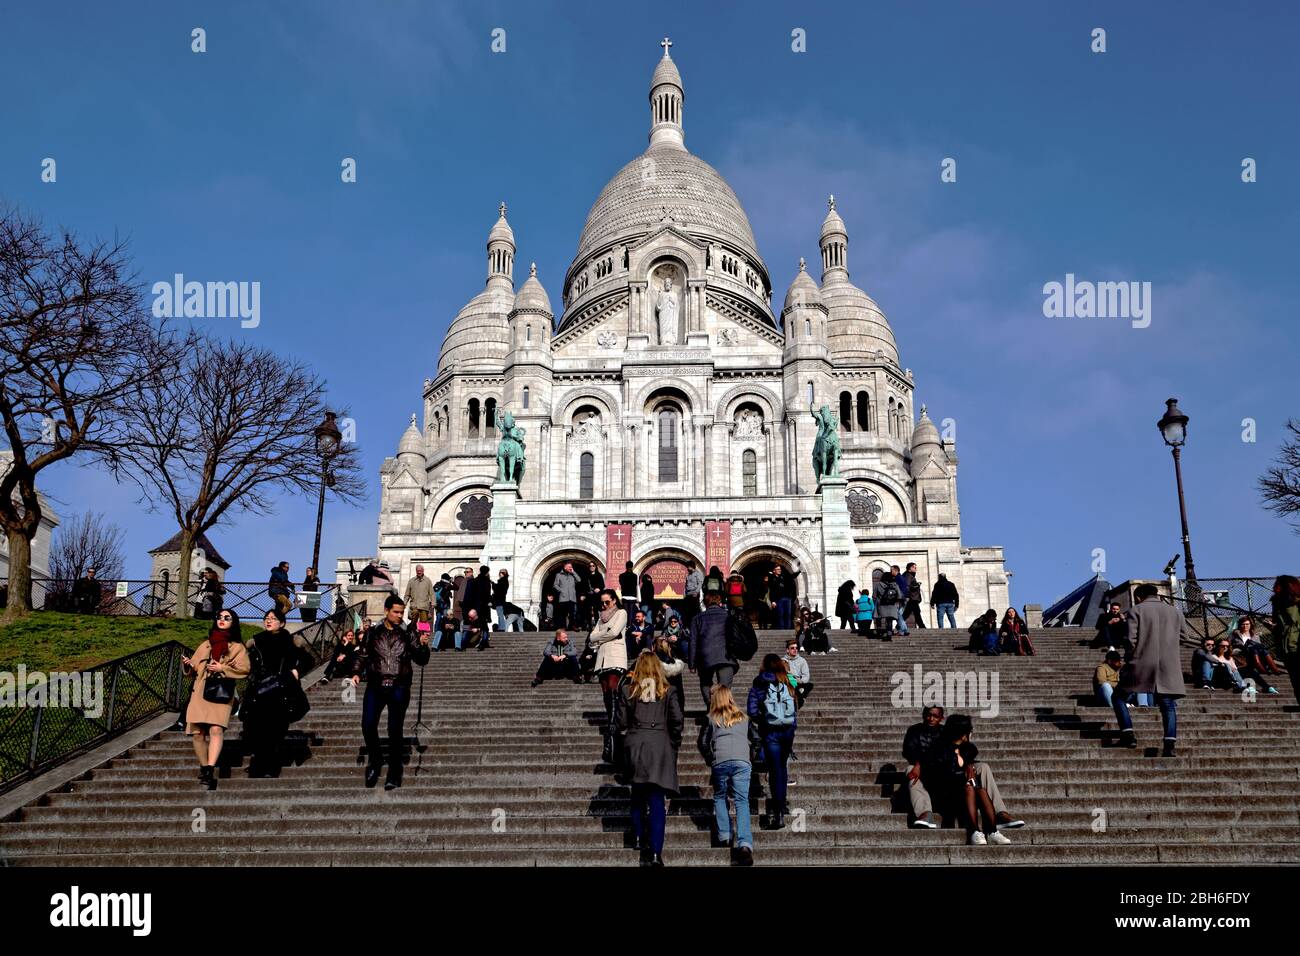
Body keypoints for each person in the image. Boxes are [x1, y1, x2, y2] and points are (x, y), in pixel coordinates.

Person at [351, 595, 430, 789]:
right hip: (375, 685)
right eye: (395, 612)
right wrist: (355, 673)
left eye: (401, 612)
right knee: (368, 725)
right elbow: (362, 653)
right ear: (386, 611)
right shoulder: (373, 632)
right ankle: (376, 760)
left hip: (400, 686)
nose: (399, 615)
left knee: (394, 730)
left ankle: (394, 772)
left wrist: (424, 644)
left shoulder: (408, 633)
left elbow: (421, 660)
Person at [614, 651, 684, 866]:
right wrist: (672, 743)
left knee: (637, 793)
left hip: (635, 742)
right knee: (656, 801)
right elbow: (677, 721)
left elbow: (620, 722)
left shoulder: (628, 690)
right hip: (659, 744)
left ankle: (637, 836)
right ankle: (655, 852)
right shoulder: (668, 691)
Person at [1113, 584, 1187, 756]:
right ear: (1156, 594)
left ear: (1138, 597)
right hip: (1168, 664)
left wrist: (1131, 657)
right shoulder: (1175, 611)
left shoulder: (1136, 610)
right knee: (1167, 704)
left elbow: (1131, 639)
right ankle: (1169, 744)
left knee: (1118, 697)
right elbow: (1184, 637)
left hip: (1141, 662)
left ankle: (1128, 733)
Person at [182, 610, 251, 790]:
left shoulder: (237, 647)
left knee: (215, 729)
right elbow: (195, 668)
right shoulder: (205, 644)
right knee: (197, 733)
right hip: (200, 691)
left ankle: (210, 769)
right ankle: (205, 766)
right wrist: (188, 665)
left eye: (227, 618)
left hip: (221, 691)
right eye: (219, 617)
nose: (222, 620)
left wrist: (222, 668)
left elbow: (244, 670)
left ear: (233, 622)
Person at [243, 608, 313, 778]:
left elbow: (309, 660)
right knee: (256, 728)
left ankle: (270, 767)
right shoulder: (256, 641)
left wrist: (297, 670)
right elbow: (248, 664)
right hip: (259, 690)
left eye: (273, 618)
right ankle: (260, 763)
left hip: (282, 690)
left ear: (281, 623)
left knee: (276, 729)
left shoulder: (291, 641)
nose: (268, 621)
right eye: (266, 618)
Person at [921, 715, 1007, 846]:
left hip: (965, 794)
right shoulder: (939, 750)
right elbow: (941, 778)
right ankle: (974, 831)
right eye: (969, 729)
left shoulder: (968, 749)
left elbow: (968, 763)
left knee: (981, 791)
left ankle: (992, 832)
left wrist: (968, 768)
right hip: (944, 796)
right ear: (960, 731)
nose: (971, 731)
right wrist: (963, 777)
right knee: (969, 787)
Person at [704, 684, 753, 865]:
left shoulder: (711, 718)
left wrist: (711, 758)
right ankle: (745, 844)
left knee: (720, 796)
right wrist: (750, 756)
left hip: (721, 761)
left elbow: (702, 742)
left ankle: (724, 835)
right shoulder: (744, 717)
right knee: (742, 801)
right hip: (742, 761)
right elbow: (756, 739)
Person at [747, 653, 797, 830]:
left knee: (775, 771)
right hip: (787, 732)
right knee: (782, 769)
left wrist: (764, 720)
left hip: (770, 733)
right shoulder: (788, 680)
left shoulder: (759, 682)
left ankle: (778, 813)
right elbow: (796, 705)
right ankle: (781, 807)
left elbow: (752, 710)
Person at [589, 589, 629, 763]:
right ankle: (611, 722)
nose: (604, 605)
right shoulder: (601, 616)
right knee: (606, 693)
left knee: (613, 690)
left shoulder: (621, 612)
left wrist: (600, 636)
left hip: (616, 657)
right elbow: (591, 636)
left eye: (607, 602)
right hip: (602, 658)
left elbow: (615, 632)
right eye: (602, 602)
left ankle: (613, 727)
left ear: (614, 600)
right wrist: (603, 635)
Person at [690, 592, 737, 709]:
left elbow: (693, 642)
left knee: (705, 683)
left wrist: (692, 663)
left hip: (705, 657)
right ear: (720, 602)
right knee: (725, 688)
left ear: (705, 603)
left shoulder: (697, 618)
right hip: (726, 656)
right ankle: (723, 709)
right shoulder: (728, 616)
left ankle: (711, 707)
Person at [1270, 575, 1300, 703]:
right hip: (1287, 645)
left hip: (1294, 643)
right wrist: (1273, 627)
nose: (1274, 586)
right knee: (1295, 678)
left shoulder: (1297, 601)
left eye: (1277, 584)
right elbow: (1279, 624)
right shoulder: (1277, 602)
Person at [770, 562, 800, 630]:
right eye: (777, 569)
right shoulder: (772, 579)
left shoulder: (783, 576)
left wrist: (799, 571)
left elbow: (792, 576)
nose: (779, 570)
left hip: (787, 598)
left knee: (788, 614)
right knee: (780, 614)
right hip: (779, 599)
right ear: (774, 571)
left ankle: (788, 629)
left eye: (780, 569)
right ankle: (782, 630)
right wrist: (773, 601)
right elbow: (772, 591)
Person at [783, 638, 813, 707]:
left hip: (799, 682)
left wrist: (801, 681)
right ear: (787, 650)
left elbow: (806, 675)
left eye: (796, 648)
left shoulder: (802, 660)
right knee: (790, 679)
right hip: (789, 682)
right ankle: (800, 697)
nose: (795, 650)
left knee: (810, 685)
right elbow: (785, 674)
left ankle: (799, 693)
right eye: (792, 648)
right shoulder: (783, 661)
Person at [874, 568, 903, 639]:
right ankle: (889, 633)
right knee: (889, 620)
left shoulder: (878, 585)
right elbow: (899, 596)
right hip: (892, 605)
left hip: (881, 605)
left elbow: (874, 596)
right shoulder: (895, 585)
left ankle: (879, 631)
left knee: (878, 617)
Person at [552, 562, 579, 630]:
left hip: (572, 597)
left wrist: (573, 572)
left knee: (572, 614)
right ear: (565, 567)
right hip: (563, 597)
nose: (571, 568)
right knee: (563, 614)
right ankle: (563, 627)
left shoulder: (572, 575)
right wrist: (561, 591)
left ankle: (572, 626)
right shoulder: (559, 575)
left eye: (571, 566)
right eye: (569, 566)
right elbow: (555, 585)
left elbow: (579, 580)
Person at [901, 562, 926, 628]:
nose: (916, 569)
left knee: (907, 613)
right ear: (909, 569)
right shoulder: (908, 576)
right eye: (914, 567)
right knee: (916, 612)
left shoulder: (909, 575)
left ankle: (898, 625)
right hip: (912, 598)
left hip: (912, 598)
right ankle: (922, 626)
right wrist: (916, 585)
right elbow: (907, 586)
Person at [585, 561, 606, 629]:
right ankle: (589, 626)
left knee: (596, 610)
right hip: (589, 595)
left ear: (595, 567)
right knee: (588, 611)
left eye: (593, 565)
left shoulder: (599, 575)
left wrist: (599, 588)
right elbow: (583, 585)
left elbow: (602, 585)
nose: (592, 567)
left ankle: (597, 625)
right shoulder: (586, 575)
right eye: (590, 566)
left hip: (597, 596)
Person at [683, 561, 703, 629]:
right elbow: (686, 585)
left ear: (692, 567)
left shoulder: (698, 574)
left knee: (695, 610)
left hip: (694, 594)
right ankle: (689, 625)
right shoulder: (688, 575)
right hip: (688, 594)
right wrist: (684, 594)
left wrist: (696, 592)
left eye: (688, 567)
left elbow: (700, 584)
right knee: (688, 611)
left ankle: (698, 624)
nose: (687, 568)